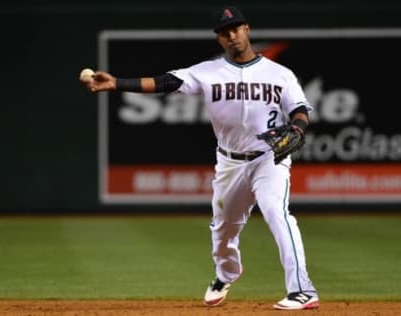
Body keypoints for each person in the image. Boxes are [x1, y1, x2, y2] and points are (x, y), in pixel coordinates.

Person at [81, 6, 319, 310]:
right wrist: (117, 83)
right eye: (225, 32)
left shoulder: (280, 74)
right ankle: (226, 274)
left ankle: (303, 290)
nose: (232, 35)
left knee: (277, 212)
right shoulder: (207, 72)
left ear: (247, 29)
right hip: (230, 163)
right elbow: (166, 82)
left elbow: (300, 109)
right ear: (219, 39)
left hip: (268, 158)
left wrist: (297, 127)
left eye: (236, 28)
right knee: (223, 230)